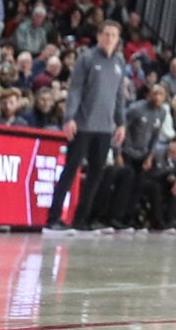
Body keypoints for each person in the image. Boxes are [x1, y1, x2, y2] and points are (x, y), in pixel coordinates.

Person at [45, 19, 128, 232]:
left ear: (118, 39)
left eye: (114, 35)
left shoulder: (119, 62)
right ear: (99, 36)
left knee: (96, 175)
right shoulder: (87, 58)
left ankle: (82, 220)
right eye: (106, 34)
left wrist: (121, 123)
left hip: (105, 128)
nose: (110, 38)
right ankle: (53, 218)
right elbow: (75, 90)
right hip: (82, 124)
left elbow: (119, 97)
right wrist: (69, 117)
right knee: (70, 170)